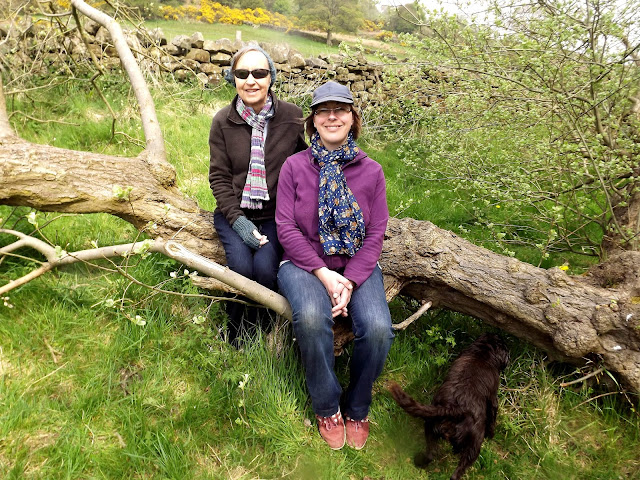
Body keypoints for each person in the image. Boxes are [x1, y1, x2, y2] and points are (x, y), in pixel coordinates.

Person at [276, 81, 394, 450]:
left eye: (340, 109)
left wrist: (351, 281)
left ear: (352, 118)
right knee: (312, 320)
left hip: (357, 264)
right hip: (303, 263)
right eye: (323, 111)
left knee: (378, 329)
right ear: (313, 120)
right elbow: (285, 226)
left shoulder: (372, 171)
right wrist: (324, 275)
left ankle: (357, 406)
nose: (332, 117)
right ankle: (327, 406)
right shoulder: (295, 167)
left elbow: (377, 232)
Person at [209, 45, 306, 347]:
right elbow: (219, 178)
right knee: (241, 268)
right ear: (233, 79)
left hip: (276, 216)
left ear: (270, 78)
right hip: (234, 213)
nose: (251, 80)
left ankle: (259, 331)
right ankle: (233, 334)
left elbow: (305, 164)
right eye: (242, 73)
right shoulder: (222, 121)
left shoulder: (291, 117)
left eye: (259, 73)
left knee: (264, 270)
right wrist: (239, 223)